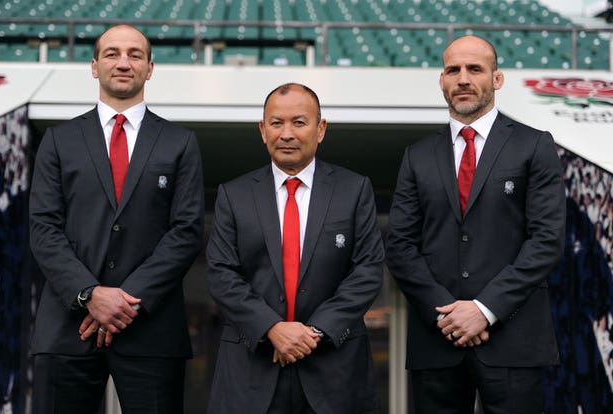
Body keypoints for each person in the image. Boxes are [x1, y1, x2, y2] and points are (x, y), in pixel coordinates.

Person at [29, 24, 204, 414]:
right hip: (67, 329)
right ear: (94, 66)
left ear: (150, 67)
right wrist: (90, 294)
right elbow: (43, 230)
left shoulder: (181, 143)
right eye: (111, 53)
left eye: (134, 54)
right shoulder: (59, 141)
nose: (123, 62)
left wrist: (124, 302)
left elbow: (187, 231)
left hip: (151, 332)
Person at [385, 35, 565, 413]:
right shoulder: (416, 156)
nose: (463, 78)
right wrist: (447, 313)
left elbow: (546, 240)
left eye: (475, 69)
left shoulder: (534, 146)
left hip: (514, 341)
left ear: (496, 79)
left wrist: (484, 309)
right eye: (453, 69)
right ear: (442, 80)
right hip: (437, 342)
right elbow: (400, 246)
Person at [206, 83, 384, 414]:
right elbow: (221, 274)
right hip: (252, 370)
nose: (287, 133)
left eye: (299, 122)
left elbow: (367, 270)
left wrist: (313, 333)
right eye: (276, 123)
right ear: (262, 130)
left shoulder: (354, 189)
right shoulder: (233, 195)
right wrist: (271, 328)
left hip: (334, 368)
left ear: (321, 129)